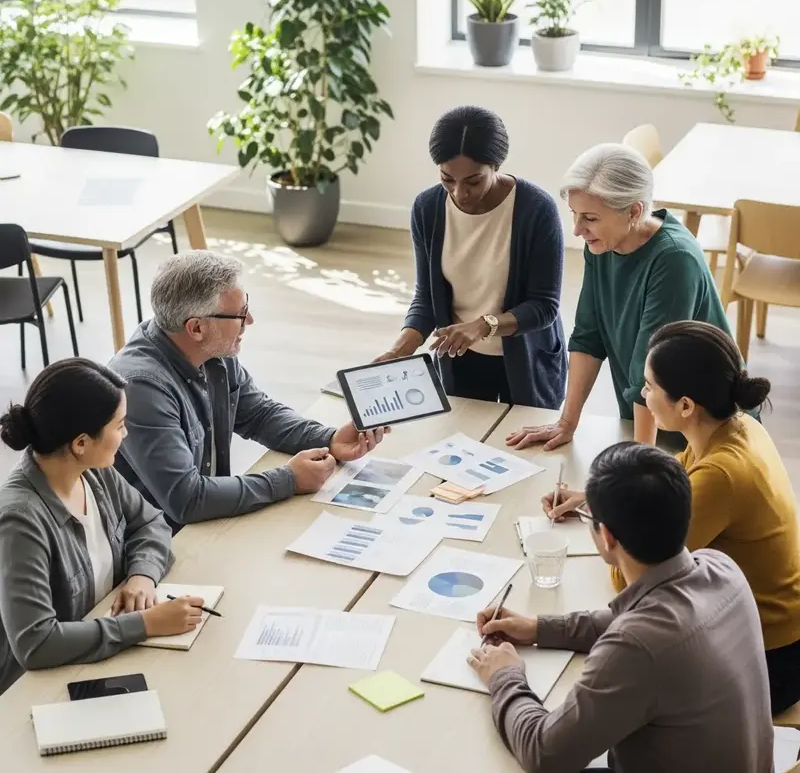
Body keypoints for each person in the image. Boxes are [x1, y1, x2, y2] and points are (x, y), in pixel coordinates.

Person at [468, 442, 773, 773]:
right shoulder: (720, 567)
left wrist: (505, 677)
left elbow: (543, 754)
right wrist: (539, 627)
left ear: (608, 537)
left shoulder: (636, 647)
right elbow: (637, 618)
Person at [548, 320, 800, 715]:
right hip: (768, 633)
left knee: (606, 680)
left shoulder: (720, 475)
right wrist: (598, 498)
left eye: (649, 387)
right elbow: (669, 491)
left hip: (767, 660)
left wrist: (604, 527)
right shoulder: (736, 426)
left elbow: (633, 581)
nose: (643, 395)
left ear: (685, 405)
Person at [109, 251, 386, 532]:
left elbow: (258, 414)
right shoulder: (141, 387)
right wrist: (288, 479)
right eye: (240, 314)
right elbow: (187, 499)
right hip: (159, 542)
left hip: (208, 522)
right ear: (196, 327)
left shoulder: (213, 350)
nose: (250, 320)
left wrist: (328, 438)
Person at [506, 143, 732, 451]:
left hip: (705, 431)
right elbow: (588, 335)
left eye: (590, 217)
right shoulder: (603, 244)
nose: (577, 230)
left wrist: (639, 463)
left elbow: (650, 369)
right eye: (574, 214)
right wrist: (566, 423)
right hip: (655, 418)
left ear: (634, 211)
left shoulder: (674, 259)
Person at [0, 359, 203, 695]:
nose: (126, 434)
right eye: (119, 425)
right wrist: (145, 624)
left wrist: (142, 575)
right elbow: (36, 643)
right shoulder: (19, 520)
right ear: (80, 443)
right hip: (35, 689)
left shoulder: (93, 471)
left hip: (100, 659)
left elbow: (150, 523)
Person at [375, 105, 567, 408]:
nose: (459, 192)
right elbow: (427, 298)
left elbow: (544, 306)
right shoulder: (428, 208)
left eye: (473, 181)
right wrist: (400, 349)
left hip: (527, 363)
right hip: (460, 360)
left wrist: (482, 326)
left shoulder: (535, 209)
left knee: (524, 451)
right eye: (447, 179)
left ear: (497, 165)